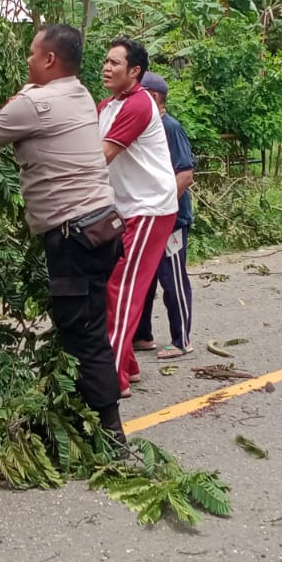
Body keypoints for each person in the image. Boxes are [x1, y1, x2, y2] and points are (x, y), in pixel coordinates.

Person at [0, 23, 127, 441]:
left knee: (85, 335)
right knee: (82, 327)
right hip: (103, 228)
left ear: (49, 59)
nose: (27, 59)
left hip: (73, 237)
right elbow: (16, 120)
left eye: (32, 52)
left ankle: (111, 432)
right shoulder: (78, 94)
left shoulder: (34, 102)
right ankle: (75, 418)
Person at [95, 39, 179, 398]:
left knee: (121, 288)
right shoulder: (107, 106)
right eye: (106, 60)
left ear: (135, 71)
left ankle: (111, 380)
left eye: (115, 62)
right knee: (112, 285)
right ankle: (126, 364)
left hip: (149, 208)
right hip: (124, 209)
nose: (106, 67)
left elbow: (100, 157)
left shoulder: (139, 104)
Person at [132, 72, 196, 359]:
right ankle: (142, 336)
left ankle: (181, 340)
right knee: (143, 278)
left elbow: (186, 174)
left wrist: (163, 208)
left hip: (171, 220)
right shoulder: (146, 127)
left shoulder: (170, 127)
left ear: (153, 96)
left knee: (172, 278)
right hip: (146, 218)